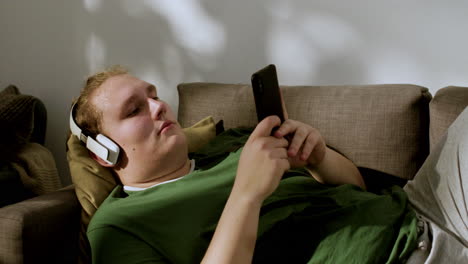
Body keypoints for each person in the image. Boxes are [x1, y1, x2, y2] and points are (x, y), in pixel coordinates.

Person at [72, 66, 467, 263]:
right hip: (404, 255)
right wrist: (247, 193)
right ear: (103, 150)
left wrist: (320, 158)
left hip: (419, 207)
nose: (159, 107)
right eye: (135, 109)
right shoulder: (117, 228)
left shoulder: (231, 144)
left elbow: (357, 189)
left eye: (153, 95)